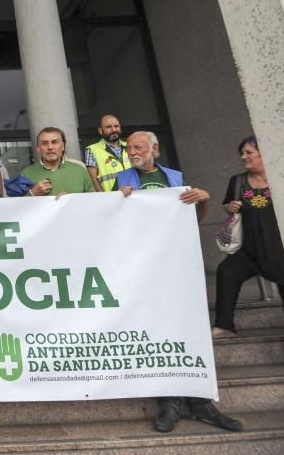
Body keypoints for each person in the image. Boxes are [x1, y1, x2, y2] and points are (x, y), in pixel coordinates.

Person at [116, 131, 242, 434]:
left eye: (138, 147)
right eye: (130, 148)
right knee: (157, 329)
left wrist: (205, 200)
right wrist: (119, 202)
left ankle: (201, 402)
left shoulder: (174, 177)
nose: (132, 151)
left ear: (154, 150)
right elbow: (116, 223)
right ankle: (169, 402)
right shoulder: (122, 180)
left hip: (177, 263)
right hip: (144, 266)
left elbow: (190, 221)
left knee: (188, 327)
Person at [213, 136, 284, 374]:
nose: (244, 157)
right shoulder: (237, 182)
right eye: (242, 154)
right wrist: (230, 208)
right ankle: (225, 325)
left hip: (282, 252)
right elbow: (228, 204)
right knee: (227, 271)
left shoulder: (283, 180)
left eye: (249, 153)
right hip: (251, 251)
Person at [19, 127, 94, 196]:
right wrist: (32, 193)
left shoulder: (79, 170)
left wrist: (70, 200)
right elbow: (17, 207)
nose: (50, 147)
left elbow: (92, 201)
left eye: (54, 142)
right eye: (44, 143)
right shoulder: (26, 174)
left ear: (63, 146)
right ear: (38, 148)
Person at [84, 114, 130, 192]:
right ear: (100, 130)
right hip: (112, 199)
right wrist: (104, 199)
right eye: (108, 127)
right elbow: (93, 180)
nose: (114, 130)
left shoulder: (130, 146)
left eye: (116, 126)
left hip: (135, 196)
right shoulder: (92, 150)